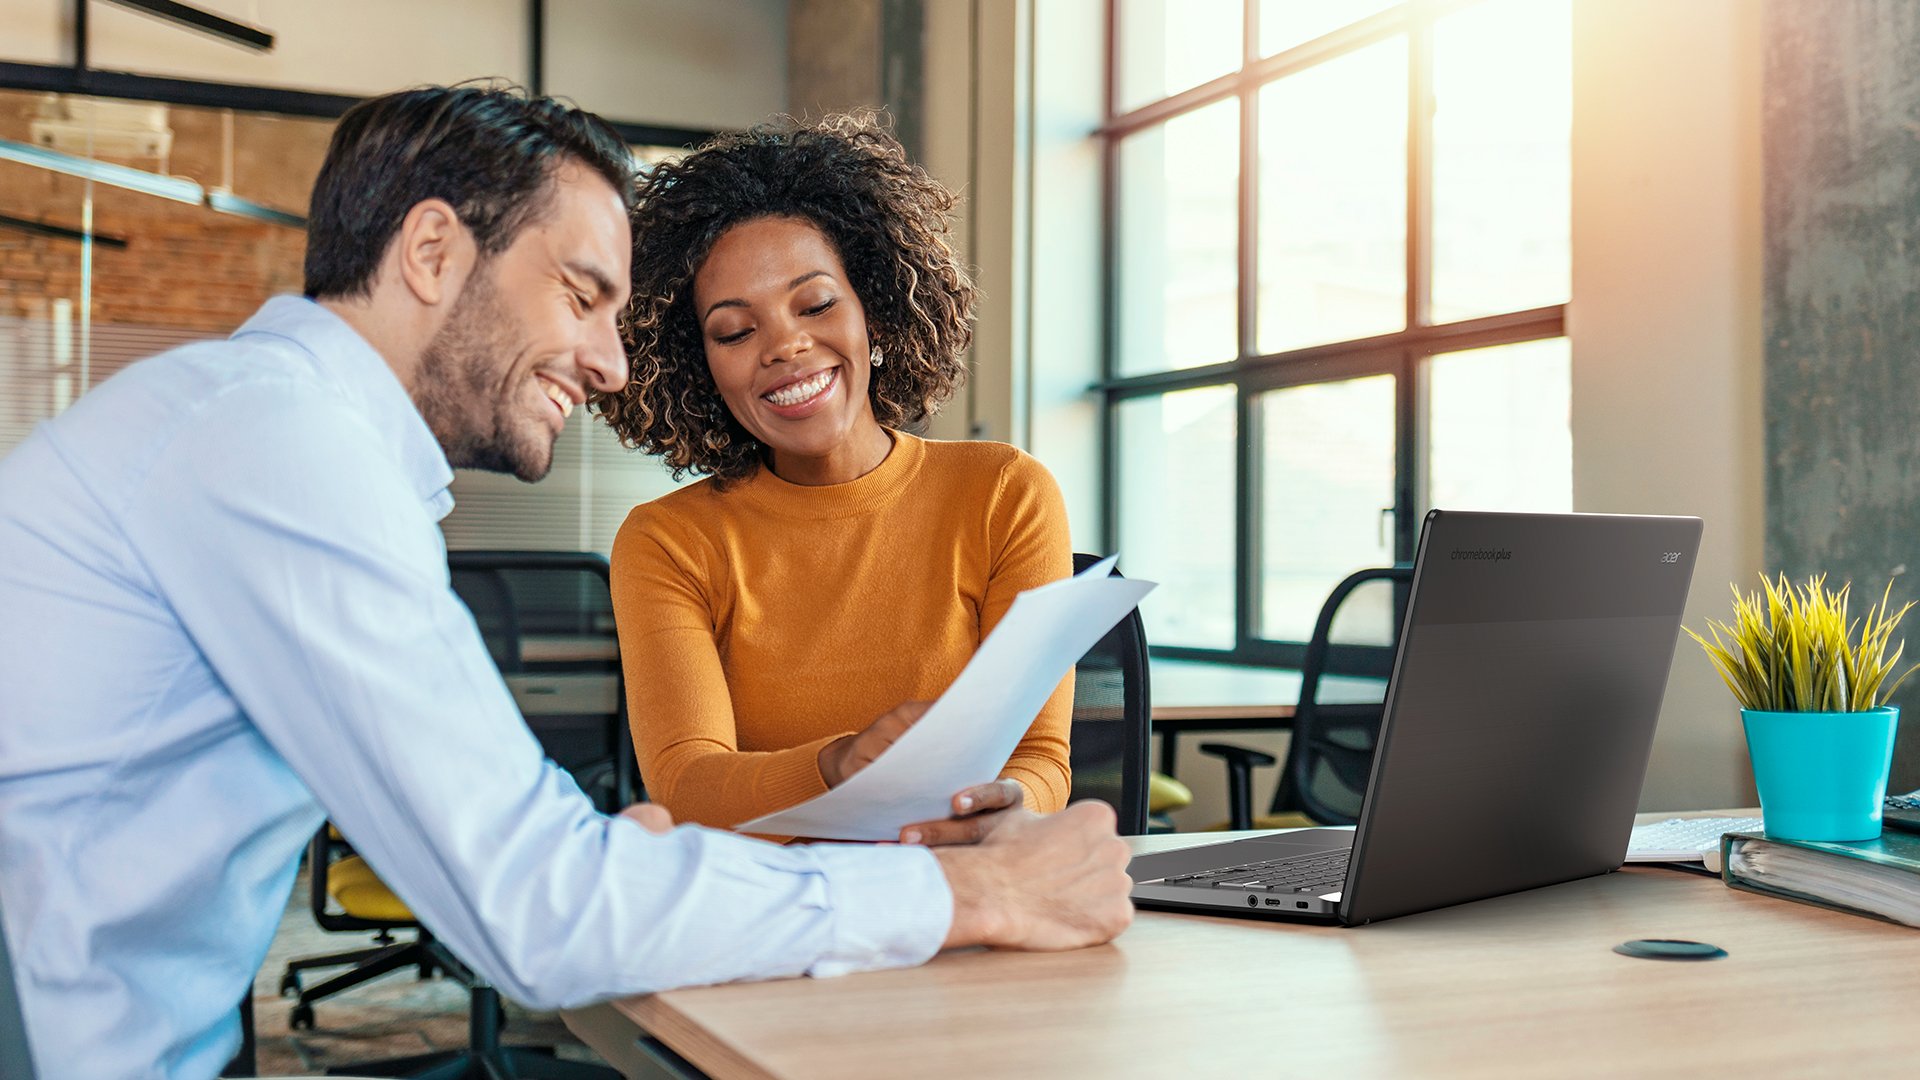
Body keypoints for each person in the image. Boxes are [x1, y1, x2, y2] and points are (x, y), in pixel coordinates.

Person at [0, 86, 1132, 1079]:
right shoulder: (274, 450)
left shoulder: (272, 433)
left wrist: (628, 874)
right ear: (434, 252)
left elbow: (534, 869)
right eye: (583, 294)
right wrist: (973, 895)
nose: (613, 362)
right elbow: (534, 909)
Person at [599, 115, 1072, 844]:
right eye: (734, 330)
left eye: (815, 304)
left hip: (963, 888)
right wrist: (836, 766)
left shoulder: (1005, 493)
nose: (785, 345)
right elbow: (687, 783)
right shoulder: (667, 541)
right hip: (768, 909)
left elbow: (1040, 759)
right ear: (701, 367)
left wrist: (1009, 806)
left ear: (875, 315)